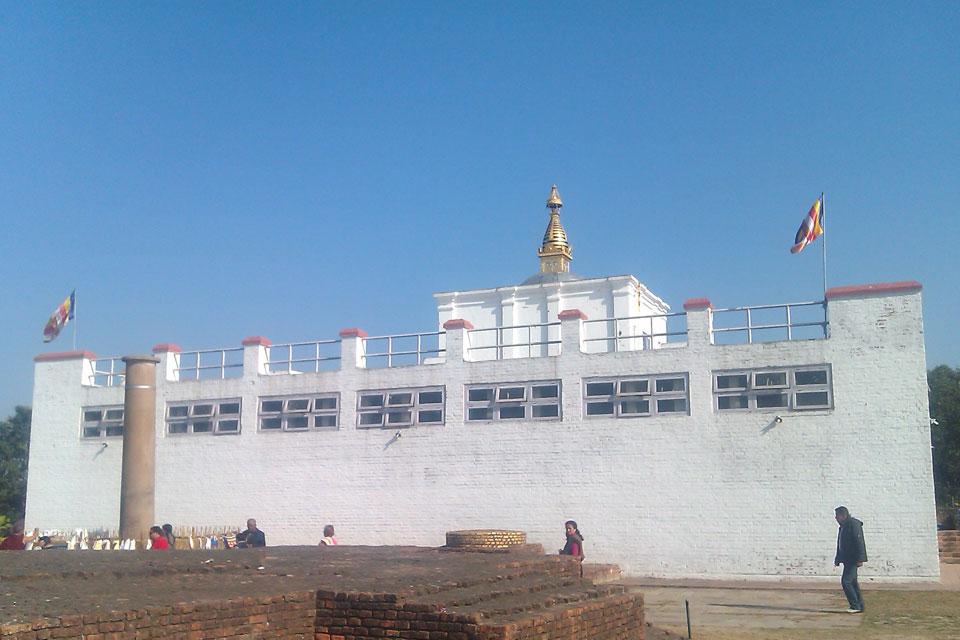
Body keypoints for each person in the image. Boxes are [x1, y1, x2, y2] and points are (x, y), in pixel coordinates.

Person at [834, 506, 867, 613]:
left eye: (837, 516)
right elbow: (840, 544)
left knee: (846, 582)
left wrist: (860, 558)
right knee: (852, 583)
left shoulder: (853, 525)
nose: (836, 518)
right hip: (847, 559)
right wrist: (838, 559)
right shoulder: (844, 526)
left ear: (843, 515)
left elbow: (859, 542)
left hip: (853, 559)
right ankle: (859, 605)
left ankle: (855, 606)